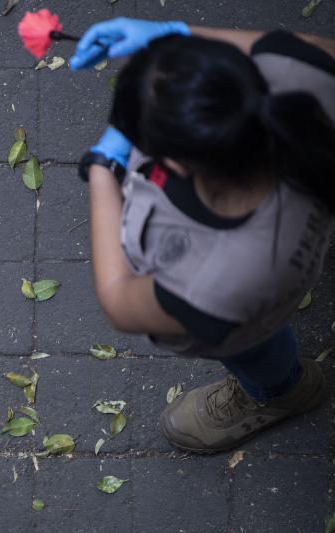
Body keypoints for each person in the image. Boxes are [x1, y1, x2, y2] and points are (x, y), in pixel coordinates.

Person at [70, 19, 335, 452]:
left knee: (255, 350)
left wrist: (101, 169)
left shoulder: (211, 282)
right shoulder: (302, 76)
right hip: (286, 259)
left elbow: (119, 300)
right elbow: (296, 46)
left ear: (177, 165)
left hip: (243, 318)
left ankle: (282, 392)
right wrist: (171, 34)